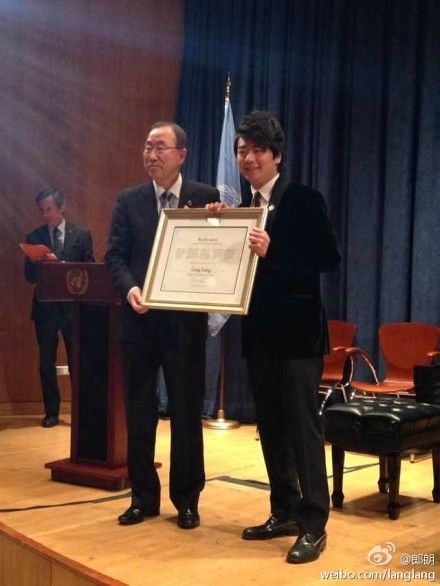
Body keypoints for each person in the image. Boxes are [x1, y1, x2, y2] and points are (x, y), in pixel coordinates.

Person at [208, 111, 340, 563]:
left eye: (257, 150)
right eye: (241, 150)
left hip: (299, 339)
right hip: (259, 336)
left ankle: (314, 525)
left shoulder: (304, 199)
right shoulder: (244, 207)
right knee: (272, 428)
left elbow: (329, 257)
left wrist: (275, 249)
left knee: (304, 431)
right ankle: (283, 510)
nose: (248, 158)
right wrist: (217, 228)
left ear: (277, 156)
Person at [105, 121, 219, 530]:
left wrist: (220, 225)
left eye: (160, 147)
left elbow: (217, 253)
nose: (151, 155)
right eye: (147, 147)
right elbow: (114, 256)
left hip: (184, 327)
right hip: (139, 324)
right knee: (139, 412)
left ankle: (187, 500)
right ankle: (143, 498)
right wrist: (130, 289)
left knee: (186, 414)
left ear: (181, 155)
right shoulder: (128, 200)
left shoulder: (205, 198)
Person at [24, 188, 94, 428]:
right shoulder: (34, 237)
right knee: (46, 363)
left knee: (78, 361)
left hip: (73, 310)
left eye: (49, 209)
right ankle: (51, 413)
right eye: (42, 210)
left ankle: (82, 411)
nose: (46, 214)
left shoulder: (81, 235)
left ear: (62, 208)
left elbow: (90, 273)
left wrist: (62, 265)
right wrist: (40, 263)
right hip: (44, 310)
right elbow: (28, 276)